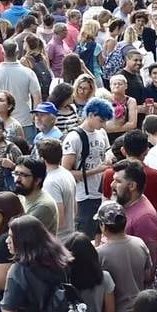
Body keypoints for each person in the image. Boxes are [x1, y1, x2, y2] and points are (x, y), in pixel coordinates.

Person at [62, 97, 112, 238]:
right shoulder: (74, 137)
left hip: (100, 192)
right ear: (90, 115)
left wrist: (108, 158)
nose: (103, 125)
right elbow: (66, 172)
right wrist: (98, 169)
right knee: (85, 236)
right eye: (101, 120)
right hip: (83, 196)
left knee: (99, 234)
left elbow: (106, 152)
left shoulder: (101, 133)